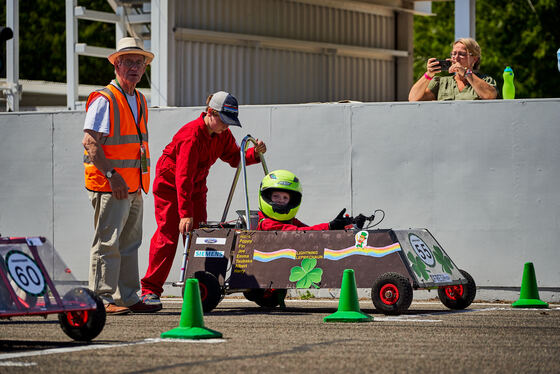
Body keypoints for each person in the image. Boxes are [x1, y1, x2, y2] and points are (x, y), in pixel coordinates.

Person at [140, 91, 267, 306]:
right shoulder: (191, 136)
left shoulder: (221, 134)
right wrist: (185, 214)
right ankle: (149, 290)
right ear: (210, 113)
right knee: (169, 235)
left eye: (230, 122)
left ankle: (198, 287)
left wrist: (255, 154)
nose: (227, 126)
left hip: (195, 187)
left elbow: (235, 158)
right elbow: (183, 177)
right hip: (171, 187)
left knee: (200, 237)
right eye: (224, 121)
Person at [82, 37, 160, 315]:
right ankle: (101, 300)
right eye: (128, 61)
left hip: (133, 185)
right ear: (116, 64)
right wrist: (113, 176)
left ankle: (126, 297)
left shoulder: (138, 98)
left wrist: (132, 181)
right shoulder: (105, 99)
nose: (135, 67)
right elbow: (90, 142)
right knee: (108, 242)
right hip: (111, 185)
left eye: (139, 62)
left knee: (129, 243)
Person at [256, 169, 352, 231]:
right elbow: (299, 233)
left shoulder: (290, 220)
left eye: (285, 198)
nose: (281, 200)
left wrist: (342, 226)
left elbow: (308, 229)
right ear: (267, 197)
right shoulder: (267, 224)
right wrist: (329, 226)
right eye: (276, 196)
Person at [408, 38, 497, 101]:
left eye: (462, 54)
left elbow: (490, 95)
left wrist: (466, 73)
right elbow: (413, 98)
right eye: (453, 54)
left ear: (475, 59)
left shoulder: (485, 80)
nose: (456, 58)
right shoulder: (440, 83)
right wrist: (428, 74)